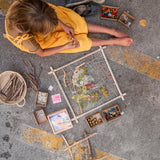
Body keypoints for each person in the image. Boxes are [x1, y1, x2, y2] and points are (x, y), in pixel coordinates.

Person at [5, 0, 133, 57]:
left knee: (73, 24)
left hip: (43, 19)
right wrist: (64, 47)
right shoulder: (27, 40)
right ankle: (110, 41)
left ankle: (111, 31)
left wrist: (64, 26)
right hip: (42, 40)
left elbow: (50, 15)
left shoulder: (32, 6)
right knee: (75, 43)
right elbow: (42, 53)